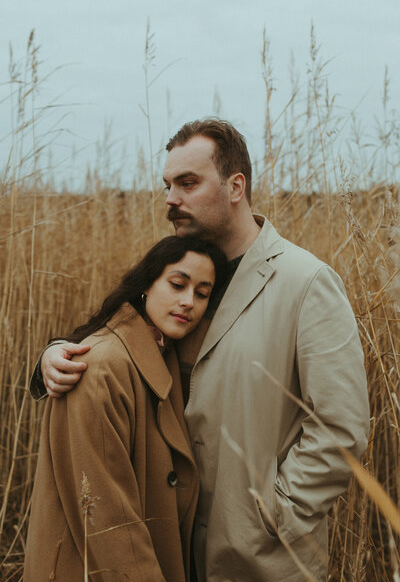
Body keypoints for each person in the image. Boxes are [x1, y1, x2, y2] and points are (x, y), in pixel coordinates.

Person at [30, 118, 369, 582]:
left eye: (188, 183)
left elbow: (341, 427)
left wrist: (274, 517)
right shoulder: (181, 277)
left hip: (261, 559)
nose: (171, 199)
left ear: (236, 186)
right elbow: (117, 338)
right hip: (173, 550)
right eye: (168, 185)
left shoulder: (306, 282)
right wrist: (56, 354)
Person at [24, 235, 227, 582]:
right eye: (177, 284)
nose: (188, 301)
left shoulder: (163, 352)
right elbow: (107, 519)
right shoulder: (100, 369)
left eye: (202, 294)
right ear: (147, 284)